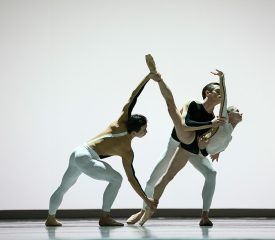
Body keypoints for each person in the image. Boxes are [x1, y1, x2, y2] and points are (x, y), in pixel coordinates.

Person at [127, 62, 242, 226]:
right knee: (153, 179)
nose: (220, 95)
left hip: (189, 147)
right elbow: (186, 125)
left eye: (221, 93)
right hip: (175, 143)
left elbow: (208, 140)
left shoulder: (214, 119)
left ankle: (205, 215)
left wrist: (214, 147)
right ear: (207, 93)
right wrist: (211, 125)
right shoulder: (193, 104)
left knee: (211, 173)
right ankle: (143, 210)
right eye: (217, 92)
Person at [45, 71, 159, 227]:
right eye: (144, 129)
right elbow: (131, 179)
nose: (147, 131)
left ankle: (50, 218)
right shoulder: (127, 150)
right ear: (135, 132)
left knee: (63, 187)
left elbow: (133, 96)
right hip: (86, 157)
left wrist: (148, 78)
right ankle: (105, 217)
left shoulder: (121, 121)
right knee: (117, 179)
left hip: (78, 152)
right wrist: (146, 199)